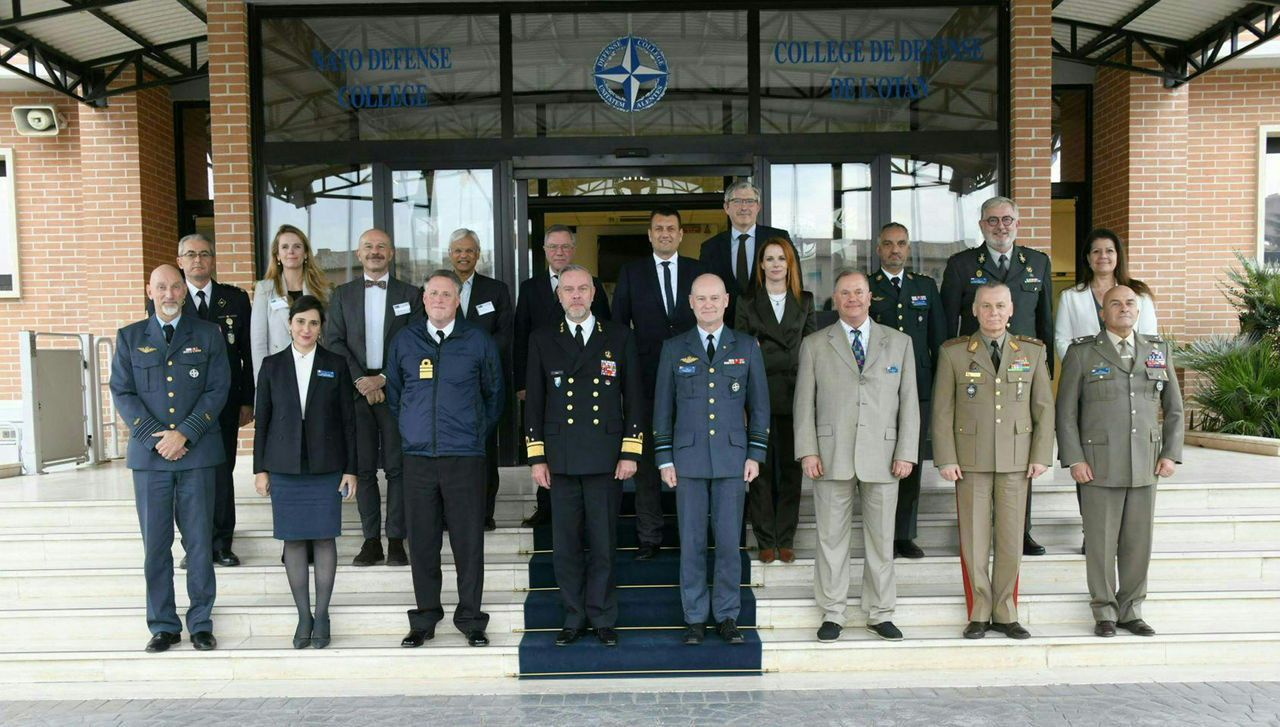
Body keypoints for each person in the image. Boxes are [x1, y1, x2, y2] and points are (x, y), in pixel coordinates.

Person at [109, 264, 230, 653]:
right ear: (150, 290)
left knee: (198, 543)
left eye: (175, 286)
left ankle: (200, 623)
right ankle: (163, 624)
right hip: (150, 459)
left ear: (184, 290)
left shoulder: (208, 334)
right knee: (157, 547)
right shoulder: (129, 338)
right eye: (161, 286)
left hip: (196, 456)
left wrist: (186, 434)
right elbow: (122, 392)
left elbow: (218, 388)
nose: (169, 293)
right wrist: (153, 437)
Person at [794, 269, 917, 643]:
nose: (852, 299)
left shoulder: (899, 343)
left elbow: (909, 402)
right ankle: (833, 612)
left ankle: (880, 613)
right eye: (845, 292)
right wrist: (807, 451)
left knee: (882, 539)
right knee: (831, 538)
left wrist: (907, 451)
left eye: (858, 292)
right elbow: (804, 405)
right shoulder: (815, 344)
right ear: (834, 298)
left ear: (870, 298)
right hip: (830, 455)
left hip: (883, 454)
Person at [524, 265, 644, 647]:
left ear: (594, 294)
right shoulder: (542, 339)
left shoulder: (619, 337)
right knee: (566, 546)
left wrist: (631, 450)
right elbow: (534, 403)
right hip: (559, 460)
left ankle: (603, 616)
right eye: (568, 290)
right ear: (558, 296)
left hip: (606, 458)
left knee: (604, 543)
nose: (575, 296)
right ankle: (574, 617)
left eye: (582, 289)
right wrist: (536, 457)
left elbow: (636, 399)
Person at [1056, 285, 1183, 638]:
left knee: (1138, 542)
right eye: (1115, 303)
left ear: (1138, 311)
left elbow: (1174, 408)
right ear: (1103, 311)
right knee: (1100, 542)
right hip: (1097, 464)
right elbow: (1065, 413)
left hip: (1145, 462)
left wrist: (1171, 453)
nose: (1124, 308)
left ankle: (1132, 609)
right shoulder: (1082, 354)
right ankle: (1104, 611)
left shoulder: (1157, 351)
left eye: (1130, 303)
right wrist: (1074, 459)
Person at [386, 270, 504, 648]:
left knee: (468, 543)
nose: (439, 299)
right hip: (418, 458)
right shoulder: (404, 340)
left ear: (457, 300)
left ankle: (471, 618)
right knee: (421, 542)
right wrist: (412, 430)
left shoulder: (478, 340)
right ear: (424, 299)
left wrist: (471, 434)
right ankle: (424, 618)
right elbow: (395, 395)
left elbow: (494, 395)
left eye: (447, 294)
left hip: (465, 458)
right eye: (433, 293)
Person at [932, 282, 1054, 640]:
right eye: (986, 306)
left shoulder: (1031, 353)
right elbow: (942, 412)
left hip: (1017, 460)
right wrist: (946, 458)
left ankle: (1005, 610)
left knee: (1011, 540)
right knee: (973, 540)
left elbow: (1044, 408)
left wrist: (1041, 454)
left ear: (1011, 310)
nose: (994, 313)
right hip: (970, 461)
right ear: (974, 310)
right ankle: (980, 610)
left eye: (1000, 306)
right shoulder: (954, 353)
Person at [653, 274, 770, 646]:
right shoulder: (674, 348)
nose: (707, 304)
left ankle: (727, 615)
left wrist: (755, 454)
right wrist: (663, 458)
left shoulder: (747, 346)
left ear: (725, 302)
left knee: (727, 543)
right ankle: (694, 618)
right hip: (687, 461)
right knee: (691, 542)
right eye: (700, 298)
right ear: (690, 302)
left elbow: (760, 407)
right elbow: (662, 408)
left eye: (714, 298)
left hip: (732, 460)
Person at [940, 196, 1053, 556]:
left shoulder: (1037, 262)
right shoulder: (961, 265)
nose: (1000, 226)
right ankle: (977, 530)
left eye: (1007, 220)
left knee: (1020, 447)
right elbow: (946, 322)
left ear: (1017, 224)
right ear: (981, 225)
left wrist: (1045, 373)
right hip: (975, 368)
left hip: (1023, 368)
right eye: (992, 220)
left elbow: (1044, 322)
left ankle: (1021, 530)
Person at [252, 295, 358, 649]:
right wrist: (260, 469)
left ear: (320, 327)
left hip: (326, 466)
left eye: (313, 323)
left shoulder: (336, 364)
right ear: (290, 325)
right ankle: (303, 616)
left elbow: (348, 422)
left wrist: (350, 470)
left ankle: (323, 614)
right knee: (293, 540)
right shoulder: (271, 366)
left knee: (325, 538)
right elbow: (262, 421)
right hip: (283, 467)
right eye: (301, 322)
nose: (307, 329)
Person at [148, 234, 253, 569]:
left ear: (213, 259)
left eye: (204, 254)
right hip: (182, 405)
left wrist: (247, 399)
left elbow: (247, 354)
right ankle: (195, 544)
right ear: (180, 261)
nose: (197, 260)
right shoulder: (170, 299)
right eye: (190, 255)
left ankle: (222, 543)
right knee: (187, 476)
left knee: (222, 473)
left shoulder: (234, 300)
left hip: (224, 404)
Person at [324, 228, 423, 567]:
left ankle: (396, 539)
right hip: (356, 391)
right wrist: (361, 380)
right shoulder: (342, 295)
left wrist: (383, 378)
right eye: (368, 246)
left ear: (391, 254)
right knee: (363, 468)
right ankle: (371, 541)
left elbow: (415, 342)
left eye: (381, 246)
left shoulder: (411, 294)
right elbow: (333, 341)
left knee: (398, 468)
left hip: (397, 391)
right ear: (358, 254)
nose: (375, 252)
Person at [611, 209, 704, 560]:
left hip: (695, 377)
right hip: (646, 379)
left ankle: (690, 534)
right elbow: (620, 327)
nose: (665, 233)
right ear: (649, 235)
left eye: (671, 228)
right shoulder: (631, 273)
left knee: (690, 455)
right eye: (659, 228)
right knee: (649, 458)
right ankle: (649, 536)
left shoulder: (697, 272)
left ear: (681, 234)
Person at [514, 225, 610, 527]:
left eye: (565, 247)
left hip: (587, 378)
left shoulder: (591, 284)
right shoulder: (530, 288)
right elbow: (520, 335)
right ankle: (545, 507)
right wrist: (522, 383)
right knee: (546, 441)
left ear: (573, 249)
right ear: (544, 251)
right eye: (553, 247)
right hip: (545, 380)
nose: (559, 252)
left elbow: (606, 329)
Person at [733, 238, 815, 564]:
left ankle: (787, 538)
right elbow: (740, 351)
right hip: (759, 394)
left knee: (792, 472)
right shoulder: (746, 302)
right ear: (762, 265)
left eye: (782, 258)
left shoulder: (805, 300)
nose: (776, 264)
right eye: (770, 258)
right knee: (761, 471)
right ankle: (766, 539)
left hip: (796, 394)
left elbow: (811, 351)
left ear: (790, 264)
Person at [867, 222, 946, 559]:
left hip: (919, 388)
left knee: (909, 461)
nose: (894, 249)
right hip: (878, 390)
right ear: (878, 249)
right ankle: (880, 530)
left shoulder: (925, 287)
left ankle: (904, 534)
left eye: (901, 243)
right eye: (888, 244)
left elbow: (938, 340)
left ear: (909, 248)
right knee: (878, 460)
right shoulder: (867, 288)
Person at [450, 228, 514, 531]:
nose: (464, 255)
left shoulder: (496, 289)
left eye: (469, 250)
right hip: (448, 387)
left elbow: (504, 334)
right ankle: (451, 513)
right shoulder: (439, 287)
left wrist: (476, 360)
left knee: (486, 451)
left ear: (479, 254)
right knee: (453, 452)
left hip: (486, 383)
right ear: (450, 255)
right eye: (458, 250)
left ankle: (485, 513)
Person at [699, 180, 800, 324]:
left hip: (772, 328)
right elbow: (704, 290)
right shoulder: (711, 247)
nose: (744, 207)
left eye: (750, 201)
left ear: (758, 207)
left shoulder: (779, 238)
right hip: (727, 329)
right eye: (737, 201)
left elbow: (795, 280)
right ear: (726, 207)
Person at [1054, 229, 1158, 362]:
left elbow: (1148, 337)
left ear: (1118, 256)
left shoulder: (1139, 294)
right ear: (1088, 258)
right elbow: (1062, 341)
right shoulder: (1070, 297)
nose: (1103, 256)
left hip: (1131, 374)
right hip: (1087, 375)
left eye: (1109, 251)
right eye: (1096, 251)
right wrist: (1081, 368)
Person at [251, 224, 333, 380]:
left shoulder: (324, 291)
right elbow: (258, 343)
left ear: (306, 253)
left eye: (297, 246)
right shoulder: (264, 290)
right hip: (279, 373)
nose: (291, 251)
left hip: (317, 372)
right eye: (285, 247)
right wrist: (261, 382)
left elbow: (329, 337)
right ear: (277, 255)